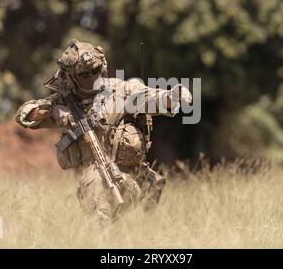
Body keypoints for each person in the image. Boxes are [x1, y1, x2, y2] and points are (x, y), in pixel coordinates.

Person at [15, 39, 192, 227]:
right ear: (72, 77)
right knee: (97, 198)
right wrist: (56, 113)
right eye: (84, 74)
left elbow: (149, 98)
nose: (92, 76)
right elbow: (24, 115)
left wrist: (172, 96)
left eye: (96, 70)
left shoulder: (120, 89)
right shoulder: (63, 101)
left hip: (131, 179)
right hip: (96, 182)